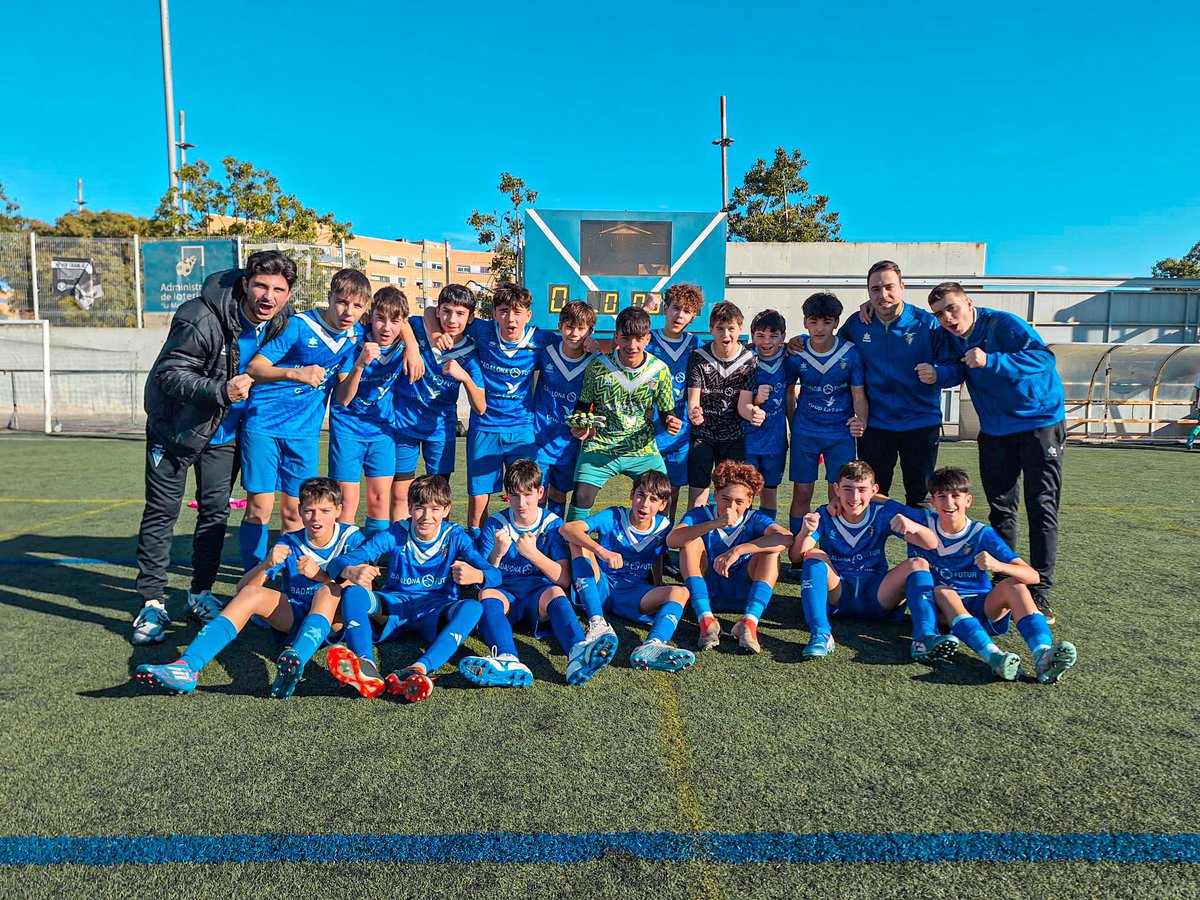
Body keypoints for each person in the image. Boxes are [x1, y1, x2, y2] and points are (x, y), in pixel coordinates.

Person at [132, 250, 295, 646]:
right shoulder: (200, 316)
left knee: (214, 515)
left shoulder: (280, 324)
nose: (268, 296)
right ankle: (152, 601)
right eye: (261, 286)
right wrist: (220, 390)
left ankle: (199, 593)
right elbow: (169, 373)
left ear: (289, 295)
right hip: (176, 431)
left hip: (225, 437)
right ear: (245, 284)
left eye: (278, 290)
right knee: (162, 513)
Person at [239, 269, 420, 570]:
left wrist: (412, 345)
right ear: (329, 297)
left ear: (365, 310)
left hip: (306, 432)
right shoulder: (299, 326)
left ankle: (291, 578)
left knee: (296, 512)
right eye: (341, 302)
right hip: (265, 426)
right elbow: (255, 368)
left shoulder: (355, 336)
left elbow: (401, 319)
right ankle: (253, 576)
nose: (348, 312)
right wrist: (296, 373)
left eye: (357, 306)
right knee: (260, 506)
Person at [134, 477, 362, 697]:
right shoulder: (290, 541)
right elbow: (242, 589)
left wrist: (320, 575)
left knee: (329, 590)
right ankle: (186, 667)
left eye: (325, 511)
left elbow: (363, 588)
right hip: (294, 616)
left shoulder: (350, 537)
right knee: (252, 593)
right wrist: (266, 564)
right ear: (300, 510)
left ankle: (297, 659)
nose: (316, 518)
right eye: (310, 510)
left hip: (333, 619)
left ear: (339, 511)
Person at [925, 281, 1066, 623]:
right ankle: (1005, 578)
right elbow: (956, 368)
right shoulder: (946, 335)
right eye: (940, 313)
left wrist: (992, 360)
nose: (947, 317)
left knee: (1041, 505)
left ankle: (1041, 590)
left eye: (952, 308)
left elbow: (1044, 359)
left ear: (969, 303)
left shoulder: (1002, 324)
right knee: (1001, 507)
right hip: (995, 429)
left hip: (1039, 421)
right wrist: (938, 374)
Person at [319, 474, 499, 703]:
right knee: (353, 593)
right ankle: (366, 666)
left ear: (446, 510)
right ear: (410, 508)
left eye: (435, 509)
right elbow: (338, 563)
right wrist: (350, 572)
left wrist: (478, 574)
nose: (426, 516)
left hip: (435, 611)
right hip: (395, 607)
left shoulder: (454, 535)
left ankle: (417, 670)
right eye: (420, 508)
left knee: (473, 607)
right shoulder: (397, 533)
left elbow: (495, 576)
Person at [792, 261, 952, 508]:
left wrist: (939, 373)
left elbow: (953, 362)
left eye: (889, 287)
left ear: (902, 287)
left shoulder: (926, 324)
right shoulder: (857, 323)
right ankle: (871, 548)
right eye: (875, 289)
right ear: (868, 292)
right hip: (875, 425)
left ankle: (921, 548)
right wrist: (798, 341)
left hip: (920, 422)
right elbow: (827, 343)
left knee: (920, 497)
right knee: (871, 496)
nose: (883, 294)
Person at [458, 459, 618, 687]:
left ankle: (577, 651)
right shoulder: (495, 524)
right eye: (514, 495)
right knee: (486, 596)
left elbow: (563, 579)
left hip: (539, 593)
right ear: (507, 495)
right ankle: (507, 658)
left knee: (555, 592)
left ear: (540, 492)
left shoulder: (552, 524)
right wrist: (497, 553)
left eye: (528, 495)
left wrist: (533, 554)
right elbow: (482, 581)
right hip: (505, 591)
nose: (521, 503)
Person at [909, 467, 1077, 683]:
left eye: (956, 496)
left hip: (982, 605)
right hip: (942, 611)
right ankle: (994, 657)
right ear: (933, 501)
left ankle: (1042, 655)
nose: (949, 503)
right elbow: (886, 504)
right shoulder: (924, 522)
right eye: (942, 497)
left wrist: (998, 565)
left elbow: (1033, 576)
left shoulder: (982, 533)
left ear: (968, 500)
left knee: (1015, 585)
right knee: (943, 590)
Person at [788, 460, 955, 663]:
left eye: (862, 490)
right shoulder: (825, 514)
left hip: (878, 594)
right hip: (838, 592)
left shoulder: (881, 514)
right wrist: (806, 531)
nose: (855, 497)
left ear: (874, 490)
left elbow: (931, 544)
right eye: (847, 489)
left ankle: (924, 637)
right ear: (836, 489)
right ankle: (821, 633)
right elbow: (795, 556)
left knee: (918, 563)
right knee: (814, 555)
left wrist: (914, 527)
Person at [425, 283, 551, 534]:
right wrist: (436, 333)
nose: (510, 319)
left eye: (517, 312)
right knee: (479, 499)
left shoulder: (540, 339)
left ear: (528, 315)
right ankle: (478, 550)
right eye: (503, 311)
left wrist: (591, 344)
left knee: (530, 495)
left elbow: (576, 341)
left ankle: (531, 545)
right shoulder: (482, 330)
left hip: (521, 430)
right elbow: (431, 311)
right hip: (485, 428)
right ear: (494, 314)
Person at [560, 470, 696, 673]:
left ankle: (653, 644)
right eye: (640, 495)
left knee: (681, 592)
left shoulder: (664, 527)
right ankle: (597, 624)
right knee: (579, 543)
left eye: (653, 499)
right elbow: (567, 529)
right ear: (632, 495)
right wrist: (601, 551)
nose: (644, 504)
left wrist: (658, 582)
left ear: (662, 505)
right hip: (600, 583)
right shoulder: (615, 515)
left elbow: (657, 553)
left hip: (634, 593)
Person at [565, 306, 681, 523]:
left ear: (648, 338)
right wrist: (579, 425)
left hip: (642, 449)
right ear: (616, 336)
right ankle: (571, 551)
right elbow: (581, 407)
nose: (632, 345)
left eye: (639, 339)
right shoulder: (598, 368)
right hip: (601, 446)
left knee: (663, 495)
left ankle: (655, 553)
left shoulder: (660, 370)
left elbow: (667, 412)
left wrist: (670, 422)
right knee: (581, 497)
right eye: (626, 338)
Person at [667, 460, 791, 653]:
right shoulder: (700, 514)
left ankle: (749, 622)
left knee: (772, 549)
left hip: (746, 595)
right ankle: (706, 620)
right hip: (706, 594)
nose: (731, 506)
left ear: (750, 502)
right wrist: (715, 523)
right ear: (715, 495)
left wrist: (739, 550)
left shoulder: (754, 518)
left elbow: (786, 538)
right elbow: (672, 540)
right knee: (689, 541)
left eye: (739, 501)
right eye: (725, 498)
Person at [784, 293, 868, 575]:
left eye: (826, 322)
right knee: (802, 491)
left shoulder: (850, 352)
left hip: (840, 434)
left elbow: (858, 393)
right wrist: (794, 423)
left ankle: (836, 551)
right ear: (805, 322)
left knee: (842, 495)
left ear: (836, 323)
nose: (819, 328)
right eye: (814, 321)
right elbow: (788, 390)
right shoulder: (796, 351)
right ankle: (797, 556)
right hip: (806, 432)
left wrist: (860, 421)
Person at [391, 284, 486, 521]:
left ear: (471, 318)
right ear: (437, 312)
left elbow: (481, 406)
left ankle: (437, 545)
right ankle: (398, 548)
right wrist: (412, 347)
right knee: (401, 494)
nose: (452, 319)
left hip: (440, 429)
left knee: (438, 492)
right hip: (405, 423)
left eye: (460, 313)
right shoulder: (421, 328)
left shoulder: (470, 353)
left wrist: (464, 377)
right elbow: (399, 319)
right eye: (446, 311)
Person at [328, 286, 412, 538]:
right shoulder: (353, 342)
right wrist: (360, 365)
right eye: (380, 319)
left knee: (379, 502)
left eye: (394, 322)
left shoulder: (402, 344)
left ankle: (373, 563)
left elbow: (423, 317)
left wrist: (414, 349)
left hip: (382, 431)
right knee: (347, 504)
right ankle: (344, 563)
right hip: (348, 430)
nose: (386, 328)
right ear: (369, 317)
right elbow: (342, 398)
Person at [685, 301, 758, 508]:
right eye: (720, 329)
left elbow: (744, 405)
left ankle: (735, 539)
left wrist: (753, 412)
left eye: (731, 329)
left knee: (736, 495)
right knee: (698, 496)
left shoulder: (749, 361)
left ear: (740, 329)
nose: (726, 335)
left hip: (733, 437)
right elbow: (693, 401)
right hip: (703, 436)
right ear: (711, 330)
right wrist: (695, 413)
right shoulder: (699, 357)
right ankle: (695, 539)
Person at [646, 283, 706, 523]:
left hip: (680, 430)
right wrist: (644, 310)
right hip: (648, 428)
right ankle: (643, 544)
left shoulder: (695, 345)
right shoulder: (648, 338)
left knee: (671, 492)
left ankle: (663, 545)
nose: (679, 315)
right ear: (665, 308)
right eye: (675, 308)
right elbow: (623, 340)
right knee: (647, 490)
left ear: (693, 316)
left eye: (686, 311)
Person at [532, 301, 598, 519]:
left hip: (569, 441)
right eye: (569, 326)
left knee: (559, 493)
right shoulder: (546, 352)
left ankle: (555, 536)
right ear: (560, 326)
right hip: (539, 435)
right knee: (536, 493)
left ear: (590, 331)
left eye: (581, 328)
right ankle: (535, 538)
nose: (574, 333)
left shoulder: (595, 362)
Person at [738, 309, 790, 521]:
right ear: (752, 337)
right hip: (747, 439)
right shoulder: (744, 359)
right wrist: (756, 401)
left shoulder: (790, 359)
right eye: (760, 335)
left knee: (770, 491)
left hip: (775, 441)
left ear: (783, 337)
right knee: (742, 491)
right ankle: (738, 536)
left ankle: (767, 539)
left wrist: (795, 431)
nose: (766, 341)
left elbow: (789, 397)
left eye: (773, 335)